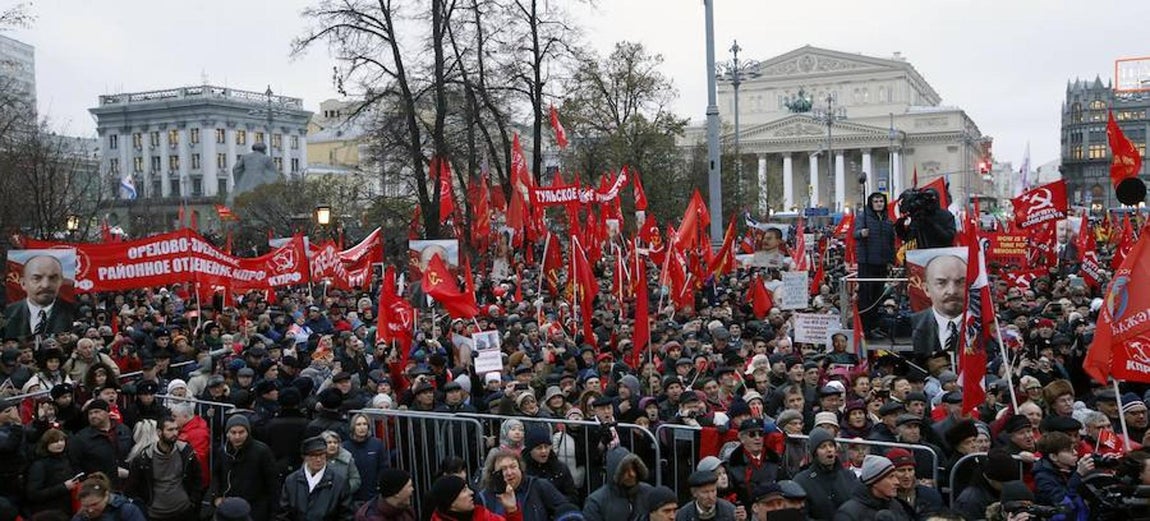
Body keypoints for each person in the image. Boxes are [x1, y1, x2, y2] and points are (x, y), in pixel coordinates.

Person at [127, 416, 204, 521]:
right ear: (159, 432)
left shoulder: (185, 452)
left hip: (184, 510)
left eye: (176, 429)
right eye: (170, 430)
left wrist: (194, 501)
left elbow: (198, 478)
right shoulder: (144, 458)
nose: (175, 433)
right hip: (156, 514)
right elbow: (133, 487)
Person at [211, 414, 279, 521]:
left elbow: (273, 483)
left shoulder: (262, 451)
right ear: (227, 434)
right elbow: (216, 475)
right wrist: (216, 497)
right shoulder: (223, 452)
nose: (237, 436)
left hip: (256, 509)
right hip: (230, 508)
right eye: (233, 432)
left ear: (248, 432)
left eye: (241, 432)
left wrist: (273, 513)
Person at [477, 449, 572, 521]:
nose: (509, 472)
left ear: (520, 469)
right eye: (503, 469)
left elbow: (566, 509)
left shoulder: (538, 486)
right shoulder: (484, 498)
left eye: (513, 466)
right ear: (493, 474)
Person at [277, 436, 353, 521]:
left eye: (322, 455)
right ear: (305, 457)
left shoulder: (339, 482)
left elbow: (346, 516)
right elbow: (283, 514)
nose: (318, 459)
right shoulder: (291, 481)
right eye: (313, 455)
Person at [792, 427, 860, 520]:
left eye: (831, 445)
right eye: (823, 447)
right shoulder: (802, 480)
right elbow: (801, 516)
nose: (829, 450)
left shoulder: (849, 476)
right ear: (815, 453)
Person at [3, 254, 76, 340]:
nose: (45, 285)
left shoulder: (71, 312)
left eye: (52, 278)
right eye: (37, 278)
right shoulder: (9, 314)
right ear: (23, 283)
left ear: (61, 282)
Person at [854, 192, 896, 336]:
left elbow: (891, 242)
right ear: (871, 203)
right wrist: (861, 233)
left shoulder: (887, 220)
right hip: (867, 263)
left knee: (878, 295)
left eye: (881, 201)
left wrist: (891, 261)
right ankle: (864, 328)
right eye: (876, 201)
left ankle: (873, 326)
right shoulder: (864, 217)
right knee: (866, 296)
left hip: (882, 263)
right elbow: (855, 233)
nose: (879, 203)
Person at [911, 254, 967, 359]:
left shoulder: (982, 325)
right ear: (926, 289)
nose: (952, 291)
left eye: (960, 282)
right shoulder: (914, 324)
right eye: (941, 283)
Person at [68, 399, 132, 489]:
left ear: (107, 412)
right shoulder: (81, 438)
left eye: (97, 412)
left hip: (126, 484)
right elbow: (74, 463)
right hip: (99, 488)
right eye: (90, 413)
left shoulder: (124, 430)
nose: (93, 416)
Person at [834, 455, 914, 521]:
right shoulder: (849, 513)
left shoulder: (896, 506)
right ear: (875, 481)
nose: (897, 482)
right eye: (891, 477)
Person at [584, 447, 653, 521]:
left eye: (634, 468)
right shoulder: (596, 502)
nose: (632, 474)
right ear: (615, 473)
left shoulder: (649, 493)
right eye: (625, 470)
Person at [24, 428, 79, 517]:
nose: (59, 444)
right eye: (54, 441)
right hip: (48, 512)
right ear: (46, 444)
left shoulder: (66, 459)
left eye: (61, 440)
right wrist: (63, 487)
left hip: (67, 509)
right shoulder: (39, 465)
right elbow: (33, 494)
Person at [428, 474, 521, 521]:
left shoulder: (482, 515)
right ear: (451, 501)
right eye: (464, 490)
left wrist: (512, 510)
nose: (471, 492)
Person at [886, 448, 944, 517]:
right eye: (901, 470)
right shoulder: (886, 499)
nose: (907, 475)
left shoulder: (931, 495)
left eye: (910, 470)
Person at [74, 472, 147, 521]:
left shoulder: (127, 511)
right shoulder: (80, 516)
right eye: (86, 506)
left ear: (106, 495)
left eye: (95, 504)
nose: (90, 510)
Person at [675, 470, 740, 521]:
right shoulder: (684, 515)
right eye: (705, 492)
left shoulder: (730, 511)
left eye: (713, 491)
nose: (710, 496)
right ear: (694, 493)